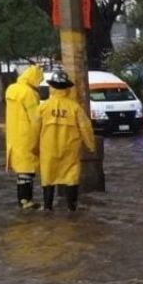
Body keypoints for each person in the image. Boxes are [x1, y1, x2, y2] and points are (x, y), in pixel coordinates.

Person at [37, 70, 97, 212]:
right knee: (71, 178)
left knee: (48, 178)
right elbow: (86, 128)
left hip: (48, 150)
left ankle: (47, 208)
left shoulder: (43, 108)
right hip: (70, 150)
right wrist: (91, 146)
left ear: (52, 87)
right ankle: (72, 208)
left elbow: (33, 129)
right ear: (67, 88)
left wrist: (32, 148)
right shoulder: (74, 108)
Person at [4, 65, 44, 210]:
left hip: (14, 136)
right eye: (39, 79)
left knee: (22, 170)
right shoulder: (30, 94)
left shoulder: (11, 89)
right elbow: (35, 119)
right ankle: (26, 200)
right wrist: (39, 137)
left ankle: (22, 200)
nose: (39, 83)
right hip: (28, 136)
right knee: (28, 170)